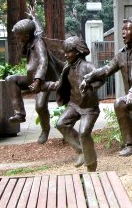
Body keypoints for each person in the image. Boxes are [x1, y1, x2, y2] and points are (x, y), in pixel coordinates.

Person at [80, 17, 132, 157]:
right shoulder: (121, 54)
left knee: (119, 104)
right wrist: (88, 77)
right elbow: (106, 69)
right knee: (131, 114)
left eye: (127, 29)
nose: (123, 33)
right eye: (122, 30)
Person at [40, 36, 104, 171]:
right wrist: (44, 85)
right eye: (65, 51)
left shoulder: (88, 66)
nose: (65, 54)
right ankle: (81, 151)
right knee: (61, 124)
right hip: (74, 105)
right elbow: (59, 84)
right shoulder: (67, 68)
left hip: (89, 108)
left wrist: (91, 86)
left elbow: (101, 78)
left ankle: (91, 165)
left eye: (69, 52)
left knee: (84, 133)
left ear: (78, 52)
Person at [6, 9, 63, 144]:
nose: (17, 38)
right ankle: (20, 114)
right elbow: (38, 29)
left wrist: (38, 81)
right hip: (32, 78)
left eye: (18, 36)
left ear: (26, 35)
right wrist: (34, 17)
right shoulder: (31, 38)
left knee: (40, 106)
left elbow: (43, 61)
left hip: (43, 79)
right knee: (11, 80)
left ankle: (45, 130)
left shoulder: (38, 44)